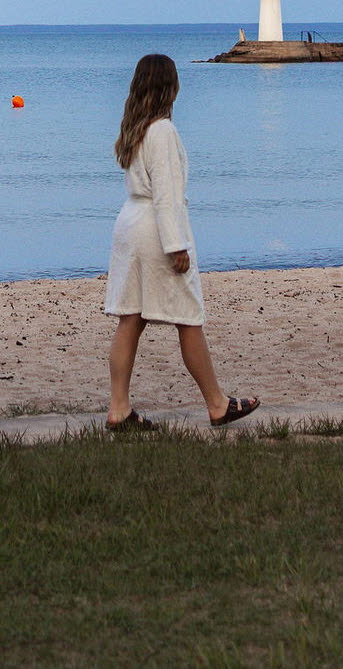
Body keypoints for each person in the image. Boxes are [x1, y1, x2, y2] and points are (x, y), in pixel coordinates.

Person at [103, 53, 259, 431]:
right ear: (170, 88)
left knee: (130, 319)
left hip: (130, 226)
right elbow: (167, 195)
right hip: (155, 230)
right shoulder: (162, 132)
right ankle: (217, 404)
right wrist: (176, 245)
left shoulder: (134, 129)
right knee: (189, 318)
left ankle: (118, 408)